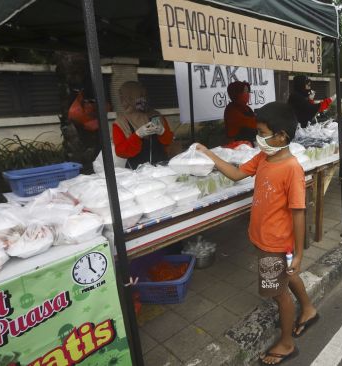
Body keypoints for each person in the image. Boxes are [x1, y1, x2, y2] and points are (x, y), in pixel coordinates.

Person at [196, 102, 317, 365]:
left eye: (262, 133)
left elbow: (299, 212)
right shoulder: (264, 157)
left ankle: (287, 343)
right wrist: (209, 155)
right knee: (287, 276)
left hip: (276, 243)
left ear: (281, 135)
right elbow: (237, 174)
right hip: (263, 237)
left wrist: (298, 254)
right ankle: (308, 308)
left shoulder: (291, 168)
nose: (258, 138)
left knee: (278, 291)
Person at [113, 81, 174, 169]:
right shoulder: (122, 122)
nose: (142, 100)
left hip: (161, 168)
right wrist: (137, 135)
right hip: (137, 173)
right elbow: (121, 152)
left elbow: (168, 141)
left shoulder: (155, 116)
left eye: (143, 96)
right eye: (137, 97)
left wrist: (163, 132)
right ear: (127, 99)